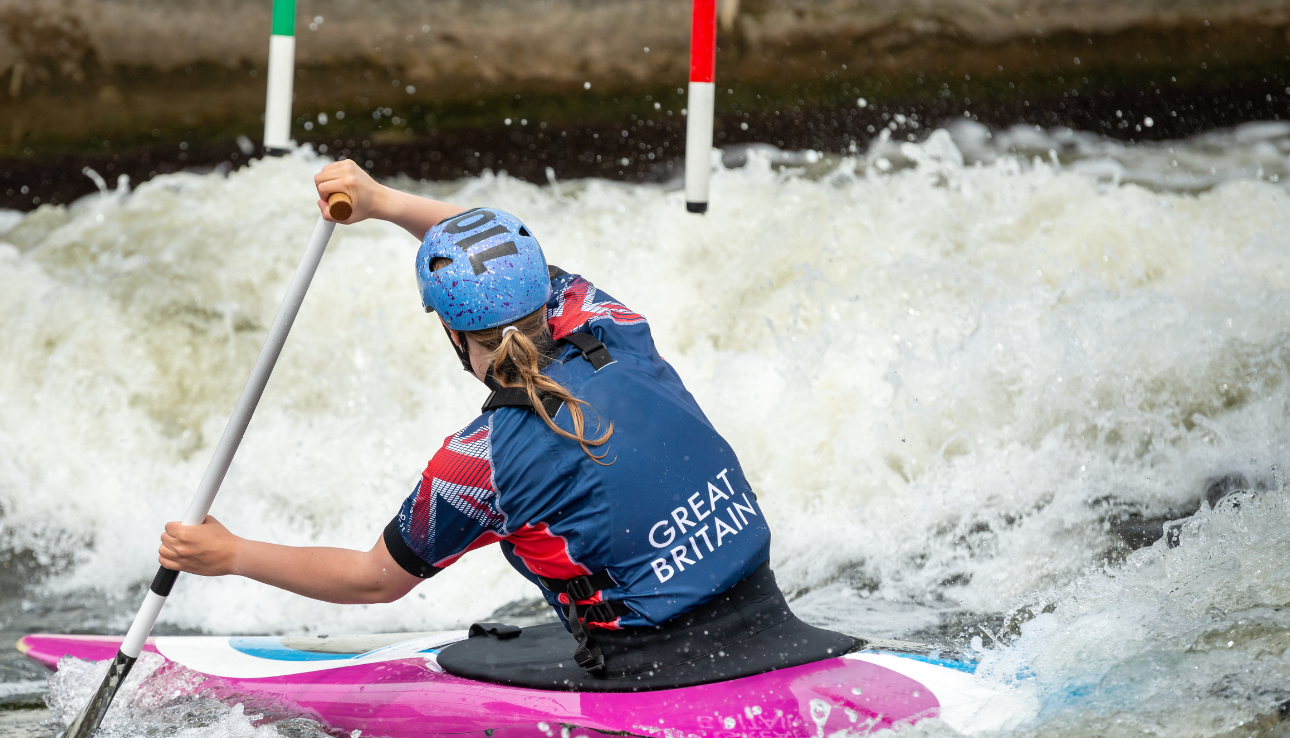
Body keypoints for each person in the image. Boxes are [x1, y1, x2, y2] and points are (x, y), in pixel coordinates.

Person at [156, 160, 853, 687]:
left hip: (653, 666)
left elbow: (373, 580)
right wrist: (385, 202)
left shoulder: (478, 461)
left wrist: (231, 555)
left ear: (453, 334)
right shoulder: (607, 321)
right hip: (769, 610)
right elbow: (495, 247)